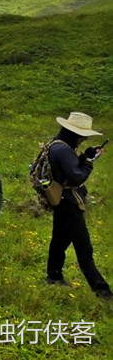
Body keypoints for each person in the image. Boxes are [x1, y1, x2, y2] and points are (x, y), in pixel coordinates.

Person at [45, 112, 111, 299]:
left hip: (61, 200)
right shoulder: (64, 150)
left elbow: (70, 168)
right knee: (84, 248)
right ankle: (102, 291)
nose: (84, 139)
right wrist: (89, 163)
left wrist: (85, 156)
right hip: (70, 203)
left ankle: (54, 276)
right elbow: (77, 176)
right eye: (83, 136)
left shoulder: (57, 145)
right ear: (76, 134)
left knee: (59, 240)